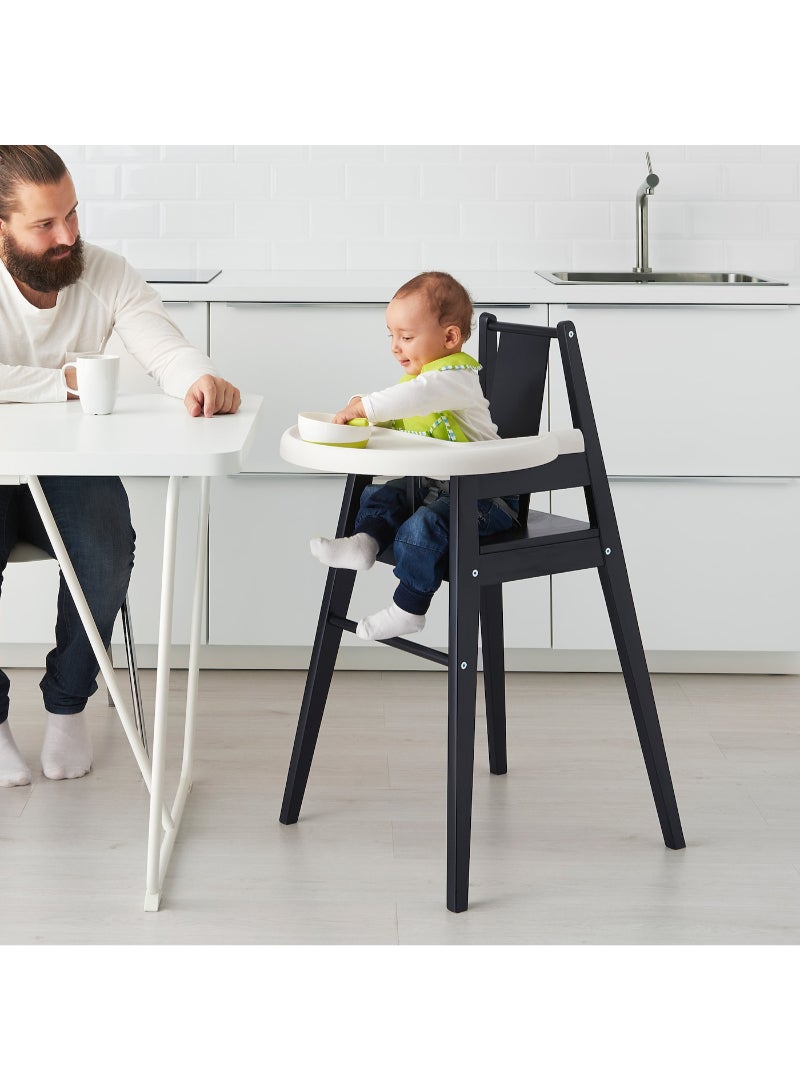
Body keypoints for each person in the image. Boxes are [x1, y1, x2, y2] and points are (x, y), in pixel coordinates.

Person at [0, 145, 241, 788]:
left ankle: (68, 705)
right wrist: (68, 383)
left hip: (67, 465)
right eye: (45, 224)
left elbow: (162, 346)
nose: (68, 236)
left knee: (108, 549)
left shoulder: (105, 272)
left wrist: (201, 380)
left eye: (72, 215)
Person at [310, 270, 519, 643]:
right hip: (440, 487)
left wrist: (366, 406)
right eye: (391, 336)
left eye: (406, 337)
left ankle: (409, 608)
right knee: (383, 494)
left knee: (419, 529)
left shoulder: (453, 379)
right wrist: (363, 415)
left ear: (450, 337)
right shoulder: (422, 382)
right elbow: (401, 409)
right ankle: (366, 543)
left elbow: (409, 399)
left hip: (487, 497)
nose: (395, 346)